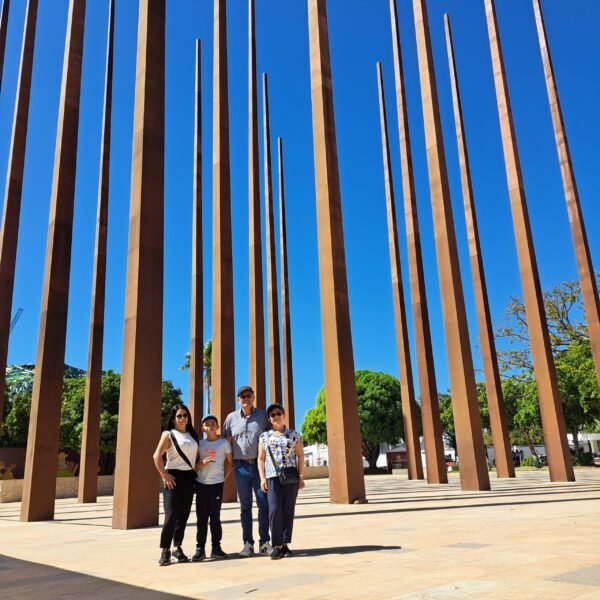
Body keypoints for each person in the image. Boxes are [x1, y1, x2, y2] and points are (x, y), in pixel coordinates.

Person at [222, 385, 271, 557]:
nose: (245, 398)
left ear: (253, 397)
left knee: (263, 504)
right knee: (245, 507)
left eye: (248, 395)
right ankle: (247, 544)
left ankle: (265, 542)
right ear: (238, 399)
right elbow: (224, 440)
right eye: (242, 396)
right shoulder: (231, 418)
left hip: (259, 467)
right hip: (240, 467)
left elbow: (271, 438)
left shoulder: (263, 416)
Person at [153, 404, 200, 566]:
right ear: (173, 418)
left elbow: (193, 461)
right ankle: (165, 549)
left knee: (183, 516)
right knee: (171, 514)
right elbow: (156, 456)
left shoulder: (192, 435)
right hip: (173, 476)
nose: (183, 418)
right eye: (179, 416)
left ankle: (177, 547)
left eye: (185, 415)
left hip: (189, 477)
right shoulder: (169, 434)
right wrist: (164, 475)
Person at [258, 403, 305, 560]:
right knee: (274, 510)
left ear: (284, 415)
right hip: (272, 477)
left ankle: (285, 544)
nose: (276, 416)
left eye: (278, 413)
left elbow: (300, 455)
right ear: (269, 419)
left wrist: (301, 476)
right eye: (272, 415)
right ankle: (276, 544)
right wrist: (262, 478)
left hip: (290, 478)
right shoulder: (264, 437)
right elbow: (260, 458)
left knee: (288, 510)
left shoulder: (293, 435)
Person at [192, 414, 232, 561]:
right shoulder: (199, 444)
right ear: (203, 428)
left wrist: (223, 478)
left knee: (215, 517)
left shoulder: (223, 443)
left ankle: (216, 547)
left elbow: (230, 463)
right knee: (201, 518)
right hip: (201, 485)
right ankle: (200, 548)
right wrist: (201, 464)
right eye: (207, 423)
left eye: (213, 423)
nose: (210, 425)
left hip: (216, 485)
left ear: (217, 426)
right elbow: (193, 465)